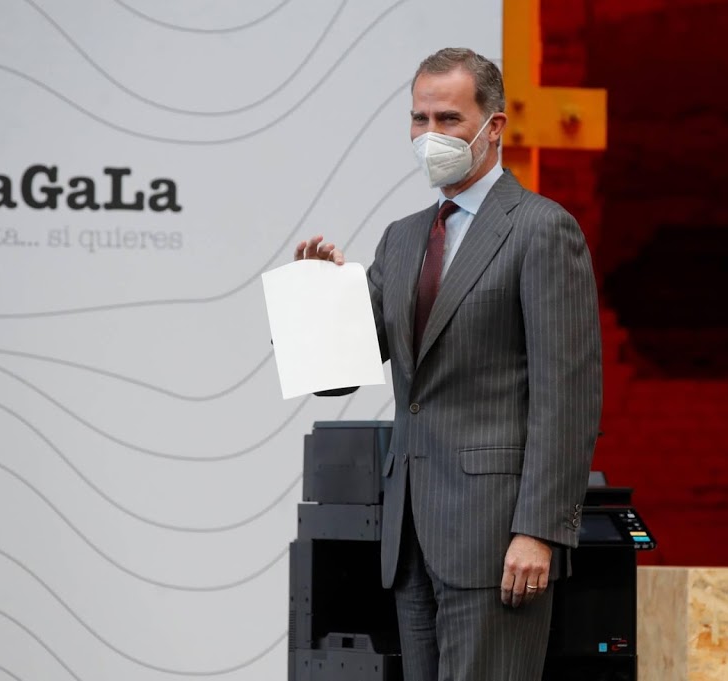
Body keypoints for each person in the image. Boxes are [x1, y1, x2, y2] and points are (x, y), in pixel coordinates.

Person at [294, 47, 601, 681]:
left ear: (494, 126)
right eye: (420, 118)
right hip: (409, 537)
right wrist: (319, 302)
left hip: (497, 539)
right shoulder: (402, 237)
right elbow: (338, 375)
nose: (430, 134)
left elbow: (566, 398)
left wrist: (540, 530)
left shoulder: (542, 229)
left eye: (449, 119)